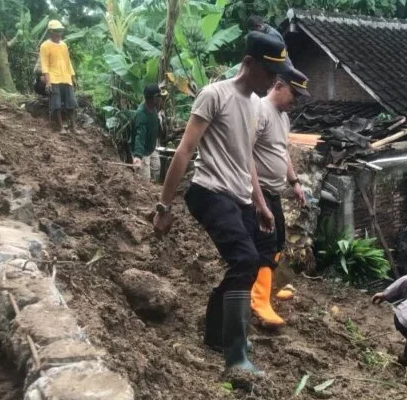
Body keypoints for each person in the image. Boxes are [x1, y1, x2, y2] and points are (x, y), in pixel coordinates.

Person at [152, 31, 290, 377]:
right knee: (243, 259)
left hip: (240, 196)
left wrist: (260, 202)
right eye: (268, 73)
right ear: (248, 64)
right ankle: (236, 357)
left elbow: (247, 160)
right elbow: (185, 150)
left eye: (277, 76)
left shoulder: (253, 107)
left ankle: (216, 334)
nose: (272, 81)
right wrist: (163, 207)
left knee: (251, 261)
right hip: (209, 192)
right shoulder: (215, 95)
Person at [250, 69, 309, 327]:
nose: (294, 101)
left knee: (278, 240)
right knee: (265, 242)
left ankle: (267, 291)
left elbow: (282, 152)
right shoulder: (259, 110)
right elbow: (246, 154)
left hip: (274, 191)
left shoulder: (283, 118)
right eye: (293, 94)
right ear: (278, 85)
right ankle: (258, 301)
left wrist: (294, 182)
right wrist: (257, 198)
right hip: (257, 190)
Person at [39, 20, 77, 134]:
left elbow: (68, 62)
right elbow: (44, 65)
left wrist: (72, 77)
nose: (59, 34)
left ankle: (73, 127)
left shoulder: (64, 45)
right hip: (54, 78)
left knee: (72, 103)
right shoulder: (45, 46)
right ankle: (61, 128)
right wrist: (48, 82)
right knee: (56, 105)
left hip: (66, 77)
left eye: (60, 31)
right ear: (51, 32)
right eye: (56, 31)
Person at [132, 84, 167, 181]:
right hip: (142, 151)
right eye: (159, 96)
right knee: (144, 180)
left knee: (156, 171)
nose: (161, 99)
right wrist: (138, 156)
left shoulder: (154, 108)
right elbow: (139, 136)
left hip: (152, 147)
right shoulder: (141, 115)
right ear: (154, 98)